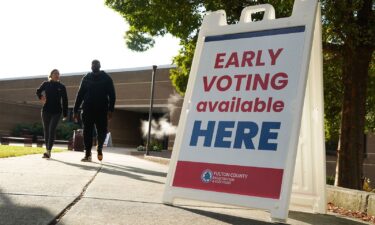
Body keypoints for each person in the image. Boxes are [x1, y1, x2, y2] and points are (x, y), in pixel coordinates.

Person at [73, 60, 116, 162]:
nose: (94, 65)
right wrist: (75, 110)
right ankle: (88, 154)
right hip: (87, 109)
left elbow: (112, 95)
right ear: (91, 66)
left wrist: (111, 109)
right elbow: (80, 95)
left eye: (96, 64)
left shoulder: (106, 78)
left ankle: (99, 147)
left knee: (102, 131)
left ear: (100, 66)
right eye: (93, 64)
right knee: (87, 131)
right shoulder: (86, 78)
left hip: (102, 109)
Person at [36, 69, 68, 158]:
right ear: (51, 75)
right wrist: (41, 96)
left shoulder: (61, 86)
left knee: (51, 130)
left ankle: (49, 150)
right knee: (46, 131)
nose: (57, 75)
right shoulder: (46, 84)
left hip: (57, 112)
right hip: (46, 111)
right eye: (55, 73)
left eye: (58, 73)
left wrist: (65, 114)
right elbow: (38, 90)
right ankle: (48, 151)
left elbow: (65, 100)